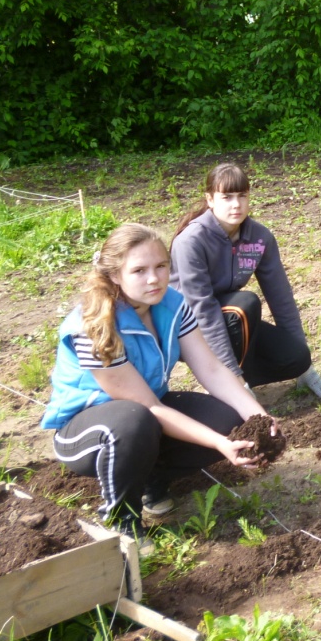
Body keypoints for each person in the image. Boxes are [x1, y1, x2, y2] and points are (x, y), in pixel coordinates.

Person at [43, 223, 280, 555]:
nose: (154, 278)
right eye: (139, 271)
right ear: (115, 276)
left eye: (161, 267)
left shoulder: (172, 304)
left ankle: (151, 484)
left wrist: (257, 415)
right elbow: (147, 408)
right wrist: (220, 445)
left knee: (228, 420)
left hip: (146, 411)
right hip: (87, 431)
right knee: (133, 420)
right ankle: (121, 521)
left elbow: (211, 369)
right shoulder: (92, 326)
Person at [170, 162, 321, 401]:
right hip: (187, 329)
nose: (236, 204)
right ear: (210, 200)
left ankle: (239, 377)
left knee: (297, 356)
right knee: (245, 304)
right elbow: (202, 310)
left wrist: (305, 368)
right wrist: (231, 377)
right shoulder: (191, 241)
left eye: (242, 196)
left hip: (227, 316)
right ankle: (222, 383)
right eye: (226, 197)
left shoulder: (259, 238)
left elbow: (281, 297)